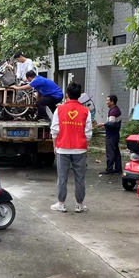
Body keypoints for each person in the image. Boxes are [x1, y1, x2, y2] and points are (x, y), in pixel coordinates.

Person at [50, 82, 92, 213]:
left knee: (62, 177)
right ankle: (79, 204)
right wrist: (85, 145)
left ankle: (61, 204)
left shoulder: (59, 109)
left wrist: (55, 146)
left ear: (67, 95)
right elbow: (88, 133)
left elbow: (54, 130)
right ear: (79, 95)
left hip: (62, 148)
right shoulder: (86, 111)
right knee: (80, 178)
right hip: (80, 149)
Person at [96, 94, 122, 174]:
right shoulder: (116, 110)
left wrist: (103, 124)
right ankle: (118, 168)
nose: (106, 102)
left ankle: (109, 169)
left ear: (112, 102)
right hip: (115, 134)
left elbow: (112, 124)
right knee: (116, 152)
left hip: (111, 135)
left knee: (110, 152)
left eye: (108, 100)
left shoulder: (113, 112)